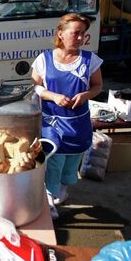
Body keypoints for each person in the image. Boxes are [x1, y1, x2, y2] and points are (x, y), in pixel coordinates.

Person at [31, 13, 103, 219]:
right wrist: (52, 96)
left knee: (72, 161)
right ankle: (48, 198)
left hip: (78, 123)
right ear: (61, 34)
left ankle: (61, 189)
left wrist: (85, 95)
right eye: (76, 33)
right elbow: (35, 86)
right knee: (52, 160)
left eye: (83, 34)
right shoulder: (44, 59)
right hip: (51, 122)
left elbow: (98, 86)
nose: (81, 38)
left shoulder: (91, 60)